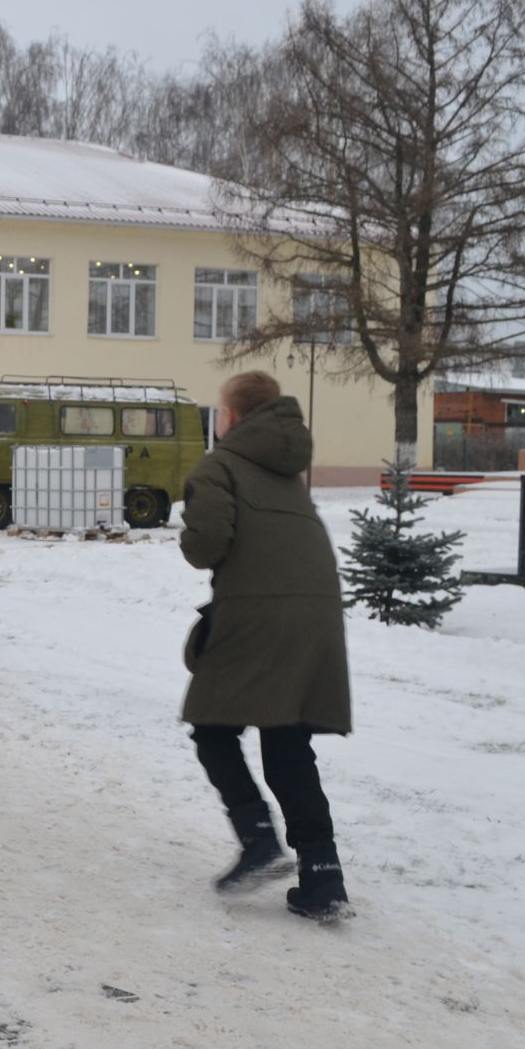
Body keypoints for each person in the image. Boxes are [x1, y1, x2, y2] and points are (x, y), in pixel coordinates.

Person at [179, 371, 351, 920]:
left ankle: (258, 842)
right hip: (316, 615)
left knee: (212, 725)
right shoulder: (288, 473)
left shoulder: (220, 465)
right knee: (287, 738)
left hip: (258, 614)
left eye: (220, 410)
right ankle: (323, 877)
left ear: (233, 416)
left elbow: (206, 546)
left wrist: (189, 526)